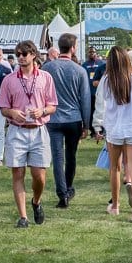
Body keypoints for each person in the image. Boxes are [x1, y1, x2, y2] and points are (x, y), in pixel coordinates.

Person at [0, 40, 56, 227]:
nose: (21, 57)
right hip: (17, 130)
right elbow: (3, 107)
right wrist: (12, 112)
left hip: (38, 129)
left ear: (33, 55)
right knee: (18, 173)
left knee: (39, 176)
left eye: (24, 54)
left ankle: (36, 202)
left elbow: (53, 105)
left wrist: (43, 111)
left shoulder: (45, 77)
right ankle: (23, 217)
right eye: (18, 54)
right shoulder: (9, 80)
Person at [96, 48, 132, 221]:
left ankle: (115, 205)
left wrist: (97, 126)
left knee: (115, 168)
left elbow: (100, 105)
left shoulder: (106, 80)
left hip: (114, 129)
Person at [42, 32, 93, 208]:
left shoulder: (47, 68)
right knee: (71, 156)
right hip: (73, 118)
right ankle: (68, 188)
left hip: (53, 118)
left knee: (57, 157)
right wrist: (86, 124)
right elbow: (85, 99)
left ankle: (62, 193)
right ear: (72, 48)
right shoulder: (80, 70)